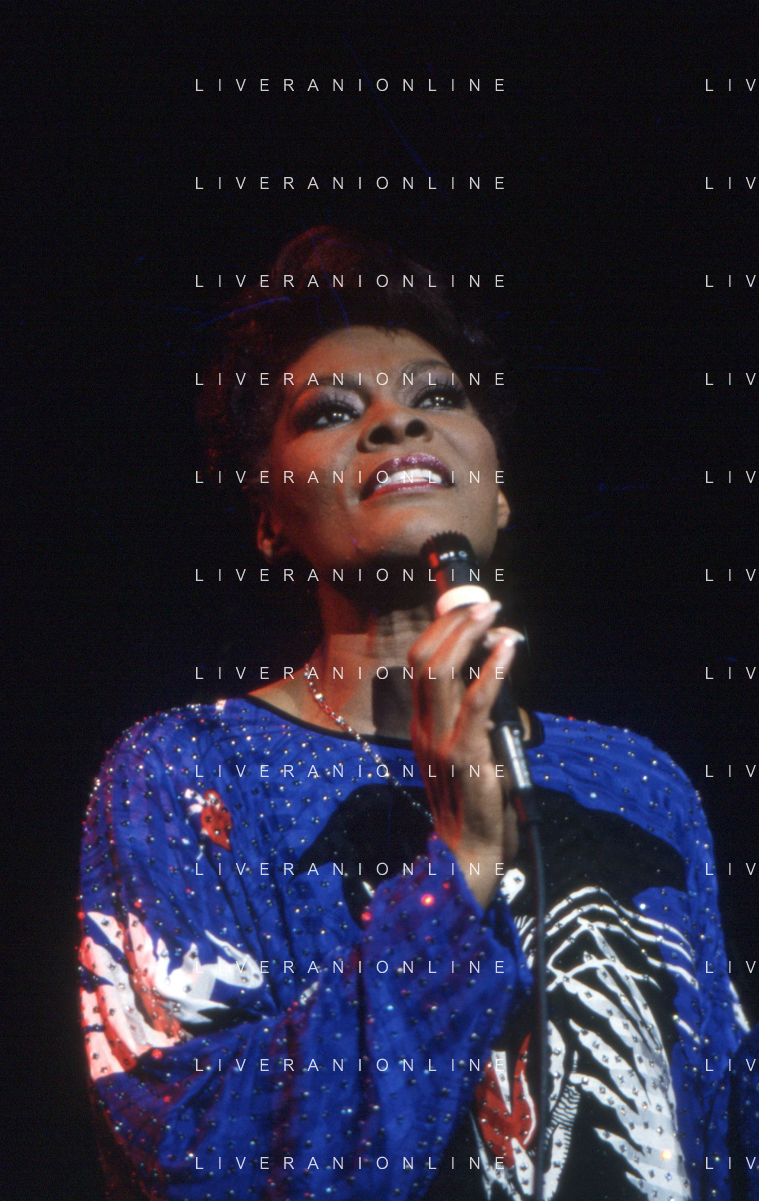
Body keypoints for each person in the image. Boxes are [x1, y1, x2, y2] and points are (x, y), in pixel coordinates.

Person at [79, 227, 758, 1201]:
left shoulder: (638, 782)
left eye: (438, 397)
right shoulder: (190, 773)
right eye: (330, 411)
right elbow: (189, 1157)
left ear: (501, 489)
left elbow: (725, 1130)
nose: (396, 422)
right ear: (268, 513)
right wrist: (458, 866)